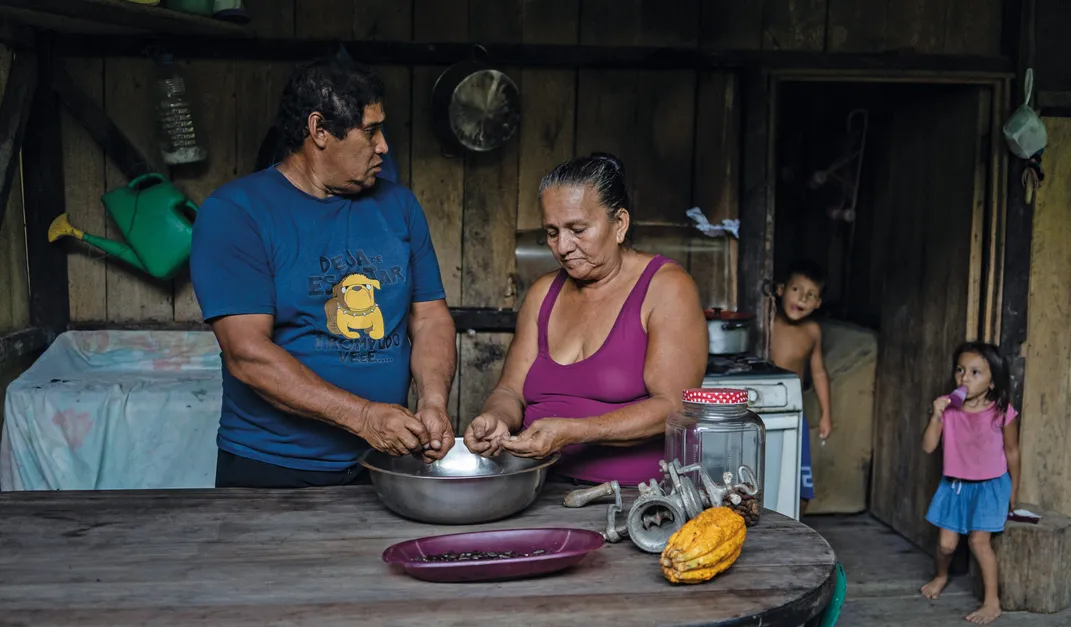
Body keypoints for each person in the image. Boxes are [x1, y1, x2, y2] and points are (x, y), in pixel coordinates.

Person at [190, 57, 457, 489]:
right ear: (319, 130)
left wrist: (433, 401)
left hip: (384, 464)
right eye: (370, 131)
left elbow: (429, 318)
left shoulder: (399, 207)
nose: (384, 146)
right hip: (274, 468)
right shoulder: (236, 213)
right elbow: (246, 354)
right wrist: (363, 417)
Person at [462, 153, 708, 486]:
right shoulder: (542, 293)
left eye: (578, 230)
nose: (562, 247)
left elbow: (674, 408)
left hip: (642, 500)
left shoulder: (666, 288)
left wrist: (574, 431)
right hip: (536, 488)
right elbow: (510, 391)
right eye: (552, 232)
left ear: (619, 224)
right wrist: (496, 418)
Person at [920, 342, 1020, 625]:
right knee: (946, 545)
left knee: (979, 541)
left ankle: (992, 602)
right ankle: (941, 576)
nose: (964, 378)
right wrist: (936, 415)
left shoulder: (1002, 412)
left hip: (990, 486)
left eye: (975, 372)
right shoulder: (947, 409)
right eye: (960, 370)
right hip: (955, 486)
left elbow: (1012, 452)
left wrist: (1015, 489)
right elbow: (928, 447)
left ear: (991, 383)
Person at [769, 259, 832, 515]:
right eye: (797, 290)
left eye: (811, 295)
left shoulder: (813, 331)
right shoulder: (767, 319)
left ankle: (797, 529)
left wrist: (827, 414)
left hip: (794, 412)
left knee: (799, 485)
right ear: (781, 290)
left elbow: (818, 372)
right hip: (762, 407)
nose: (803, 299)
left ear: (818, 303)